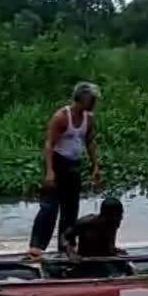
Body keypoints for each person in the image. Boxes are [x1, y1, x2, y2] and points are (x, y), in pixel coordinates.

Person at [27, 82, 101, 260]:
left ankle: (65, 246)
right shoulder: (61, 116)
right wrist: (49, 172)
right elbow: (49, 144)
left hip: (73, 165)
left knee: (70, 209)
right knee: (49, 208)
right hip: (57, 163)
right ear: (82, 98)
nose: (94, 103)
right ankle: (36, 247)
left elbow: (89, 142)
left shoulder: (88, 118)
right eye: (92, 99)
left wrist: (95, 166)